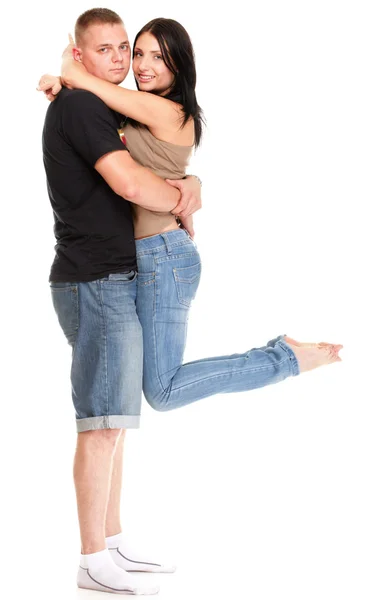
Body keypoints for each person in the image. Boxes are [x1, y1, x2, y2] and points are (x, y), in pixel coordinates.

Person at [39, 8, 343, 596]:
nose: (139, 63)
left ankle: (284, 357)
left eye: (152, 53)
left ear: (180, 66)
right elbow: (118, 160)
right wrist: (63, 76)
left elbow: (131, 169)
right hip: (133, 263)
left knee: (158, 391)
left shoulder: (170, 109)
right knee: (124, 409)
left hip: (163, 260)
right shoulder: (105, 102)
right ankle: (108, 542)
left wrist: (69, 71)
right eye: (135, 51)